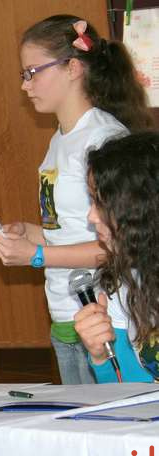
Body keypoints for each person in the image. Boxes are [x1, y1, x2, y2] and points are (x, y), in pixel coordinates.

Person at [0, 15, 154, 384]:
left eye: (32, 72)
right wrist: (30, 233)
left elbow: (124, 244)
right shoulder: (60, 140)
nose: (25, 85)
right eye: (23, 74)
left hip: (107, 314)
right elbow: (70, 228)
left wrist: (37, 255)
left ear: (73, 68)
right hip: (65, 310)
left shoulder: (102, 139)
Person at [74, 132, 159, 383]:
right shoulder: (122, 279)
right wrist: (101, 355)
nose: (91, 216)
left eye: (101, 202)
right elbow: (128, 388)